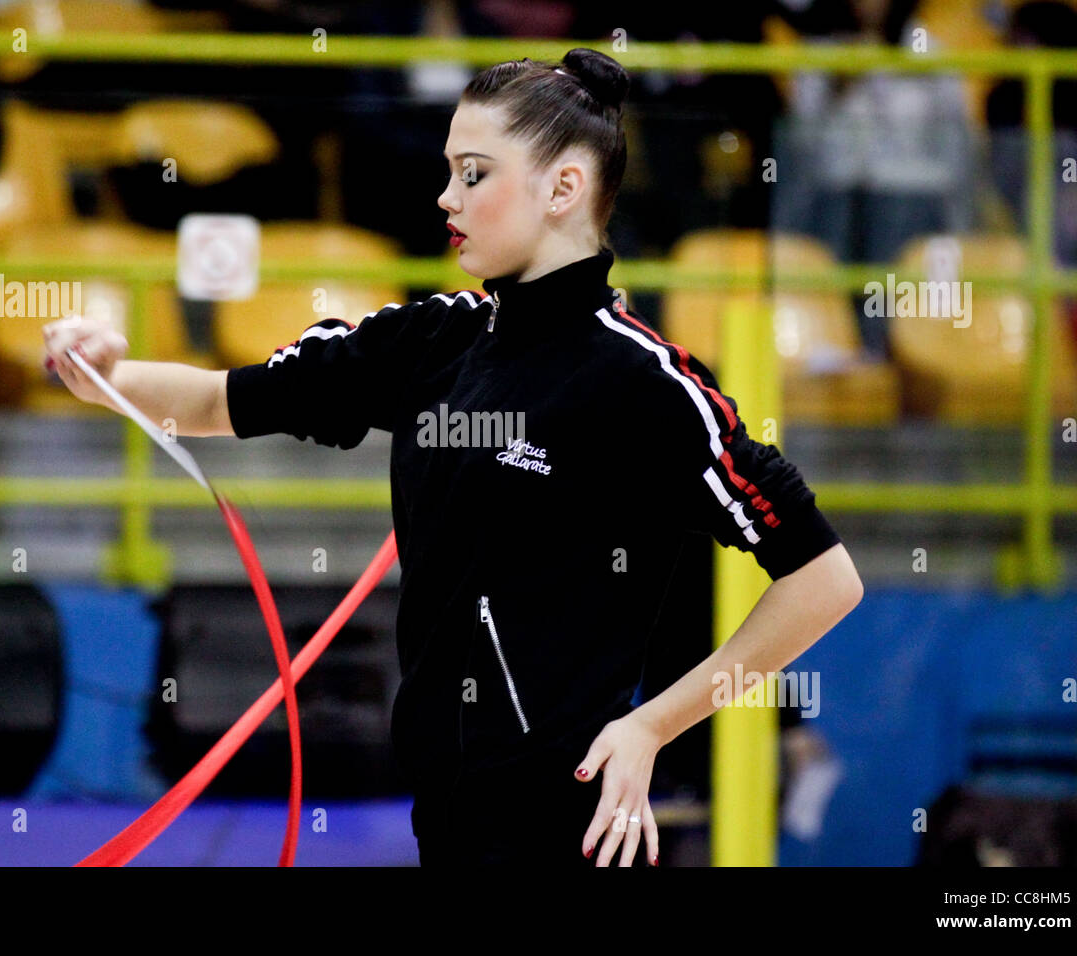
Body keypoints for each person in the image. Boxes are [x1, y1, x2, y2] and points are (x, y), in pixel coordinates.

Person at [42, 48, 864, 867]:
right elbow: (218, 401)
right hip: (443, 817)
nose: (446, 196)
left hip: (572, 832)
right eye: (448, 171)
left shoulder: (644, 386)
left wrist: (657, 723)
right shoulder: (431, 342)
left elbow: (824, 580)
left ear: (564, 188)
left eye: (474, 173)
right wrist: (102, 372)